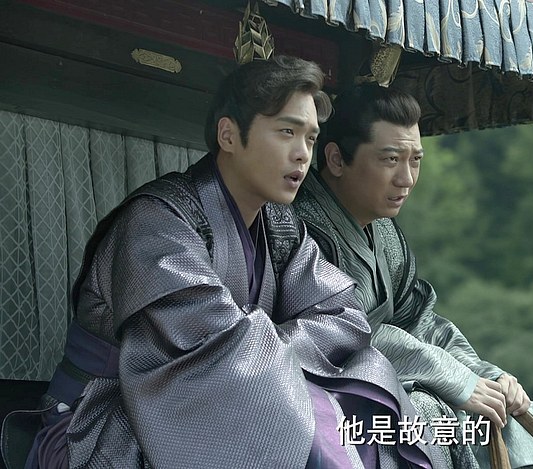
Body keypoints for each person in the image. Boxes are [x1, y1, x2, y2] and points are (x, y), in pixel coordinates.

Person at [23, 56, 443, 469]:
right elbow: (216, 354)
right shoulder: (158, 223)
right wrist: (267, 351)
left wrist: (261, 347)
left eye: (311, 138)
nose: (302, 154)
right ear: (228, 135)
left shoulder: (280, 227)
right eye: (286, 132)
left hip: (227, 407)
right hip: (109, 423)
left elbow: (344, 318)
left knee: (364, 396)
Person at [293, 84, 533, 468]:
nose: (406, 178)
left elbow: (420, 322)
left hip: (382, 381)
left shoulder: (384, 231)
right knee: (430, 411)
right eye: (390, 159)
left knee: (508, 407)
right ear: (335, 159)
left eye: (415, 160)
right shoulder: (303, 228)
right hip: (319, 401)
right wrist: (451, 378)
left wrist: (484, 375)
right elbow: (345, 334)